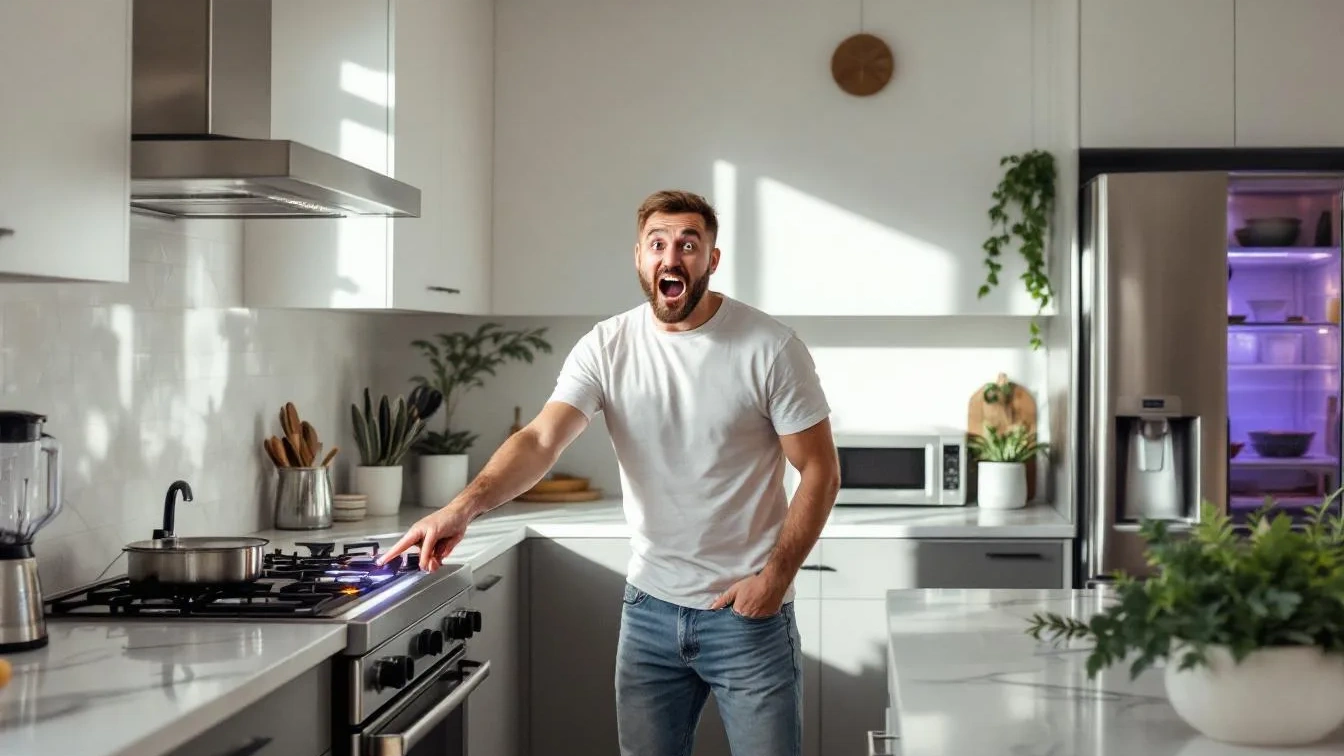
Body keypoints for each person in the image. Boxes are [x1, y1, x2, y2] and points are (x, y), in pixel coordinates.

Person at [377, 189, 840, 756]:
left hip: (747, 618)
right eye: (658, 243)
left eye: (689, 244)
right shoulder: (607, 345)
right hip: (649, 614)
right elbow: (541, 439)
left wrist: (774, 579)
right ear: (640, 259)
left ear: (712, 260)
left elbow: (819, 470)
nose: (672, 256)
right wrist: (461, 507)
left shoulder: (770, 348)